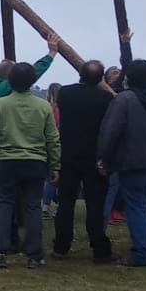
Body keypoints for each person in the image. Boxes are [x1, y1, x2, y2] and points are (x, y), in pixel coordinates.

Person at [0, 38, 58, 250]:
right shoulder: (2, 91)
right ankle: (11, 238)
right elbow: (33, 72)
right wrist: (51, 54)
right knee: (6, 195)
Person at [0, 62, 60, 269]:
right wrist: (55, 164)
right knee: (33, 206)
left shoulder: (0, 104)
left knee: (4, 205)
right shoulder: (43, 106)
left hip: (7, 160)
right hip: (35, 161)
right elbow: (52, 137)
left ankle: (0, 251)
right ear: (33, 80)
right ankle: (33, 255)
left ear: (10, 81)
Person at [97, 60, 146, 267]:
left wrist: (104, 157)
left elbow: (111, 131)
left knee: (136, 208)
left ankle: (141, 252)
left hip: (131, 161)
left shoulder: (124, 100)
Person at [53, 62, 115, 263]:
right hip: (94, 156)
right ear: (101, 79)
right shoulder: (105, 98)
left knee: (65, 203)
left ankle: (61, 245)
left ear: (80, 74)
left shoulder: (66, 93)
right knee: (95, 204)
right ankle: (99, 248)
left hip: (69, 154)